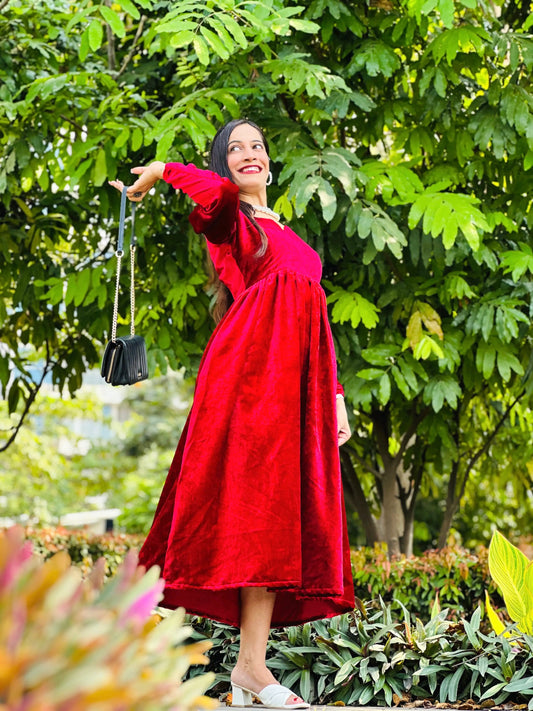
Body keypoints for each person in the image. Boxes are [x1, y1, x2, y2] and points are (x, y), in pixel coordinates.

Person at [109, 119, 355, 709]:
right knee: (254, 516)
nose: (248, 154)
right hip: (248, 383)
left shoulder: (284, 232)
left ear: (270, 164)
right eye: (234, 149)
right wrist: (166, 171)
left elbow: (315, 322)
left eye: (257, 146)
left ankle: (250, 669)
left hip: (293, 389)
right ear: (223, 168)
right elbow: (213, 197)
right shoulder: (229, 220)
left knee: (273, 525)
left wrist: (336, 396)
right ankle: (215, 662)